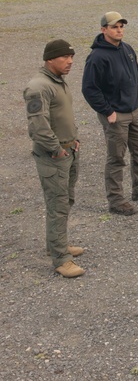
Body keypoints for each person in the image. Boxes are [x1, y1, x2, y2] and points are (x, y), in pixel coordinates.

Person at [82, 12, 138, 216]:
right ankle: (116, 200)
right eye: (114, 27)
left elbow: (134, 75)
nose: (119, 30)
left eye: (121, 26)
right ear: (104, 30)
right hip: (116, 115)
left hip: (134, 110)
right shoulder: (97, 57)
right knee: (116, 157)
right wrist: (107, 111)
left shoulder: (127, 49)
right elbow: (89, 89)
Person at [25, 40, 85, 277]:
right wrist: (56, 149)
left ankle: (56, 244)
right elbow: (38, 126)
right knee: (57, 204)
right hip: (54, 155)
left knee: (65, 200)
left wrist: (74, 139)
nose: (70, 61)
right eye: (64, 57)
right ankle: (61, 259)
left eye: (71, 57)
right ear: (49, 59)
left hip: (68, 150)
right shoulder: (38, 87)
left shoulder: (57, 81)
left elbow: (63, 116)